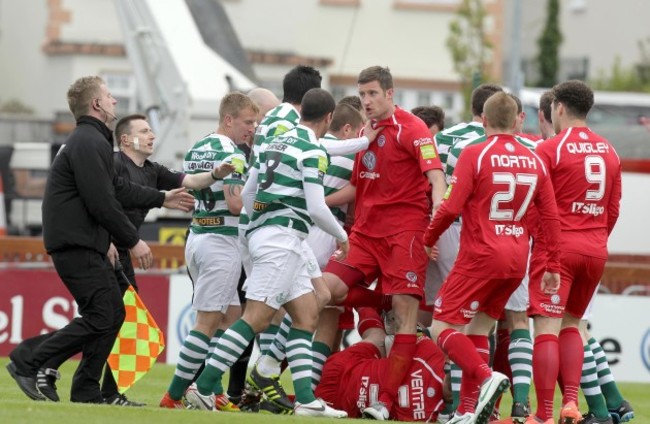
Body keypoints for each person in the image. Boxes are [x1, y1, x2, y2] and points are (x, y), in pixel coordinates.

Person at [4, 76, 189, 404]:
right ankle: (29, 361)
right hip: (77, 244)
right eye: (108, 96)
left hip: (85, 243)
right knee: (104, 315)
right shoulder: (89, 142)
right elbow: (102, 201)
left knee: (113, 315)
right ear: (96, 104)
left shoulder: (93, 141)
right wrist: (132, 241)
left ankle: (85, 388)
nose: (114, 100)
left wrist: (161, 198)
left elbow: (116, 190)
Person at [186, 88, 349, 418]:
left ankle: (305, 400)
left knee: (306, 314)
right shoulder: (313, 149)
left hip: (270, 234)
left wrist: (257, 227)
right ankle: (202, 388)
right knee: (256, 318)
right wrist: (342, 236)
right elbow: (317, 207)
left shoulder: (275, 142)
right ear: (329, 118)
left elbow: (248, 193)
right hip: (284, 238)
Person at [423, 92, 562, 424]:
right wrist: (553, 264)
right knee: (479, 328)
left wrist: (427, 238)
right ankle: (466, 410)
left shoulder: (475, 153)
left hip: (480, 254)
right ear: (516, 121)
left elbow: (451, 207)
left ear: (483, 120)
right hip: (517, 257)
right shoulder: (534, 159)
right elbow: (552, 218)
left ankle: (486, 378)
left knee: (440, 326)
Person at [322, 66, 447, 421]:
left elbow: (435, 175)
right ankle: (384, 298)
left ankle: (385, 401)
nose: (367, 101)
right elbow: (360, 186)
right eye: (362, 95)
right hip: (364, 233)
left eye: (373, 94)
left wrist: (439, 205)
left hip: (404, 235)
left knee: (406, 316)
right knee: (326, 291)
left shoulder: (414, 128)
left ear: (390, 94)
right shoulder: (365, 132)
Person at [528, 80, 622, 424]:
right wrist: (595, 238)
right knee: (573, 324)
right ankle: (570, 402)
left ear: (560, 108)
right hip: (594, 250)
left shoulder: (549, 148)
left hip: (558, 250)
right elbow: (613, 208)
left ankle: (544, 413)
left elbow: (534, 205)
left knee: (547, 328)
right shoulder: (609, 151)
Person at [159, 92, 258, 410]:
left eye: (255, 122)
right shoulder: (233, 152)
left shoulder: (197, 147)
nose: (252, 129)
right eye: (247, 122)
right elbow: (235, 203)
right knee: (207, 321)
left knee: (229, 318)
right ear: (228, 119)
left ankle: (213, 391)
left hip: (198, 234)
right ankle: (174, 396)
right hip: (221, 241)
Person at [315, 307, 447, 421]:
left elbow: (404, 335)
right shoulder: (431, 418)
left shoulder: (433, 356)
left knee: (378, 336)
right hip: (336, 403)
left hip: (341, 375)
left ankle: (359, 299)